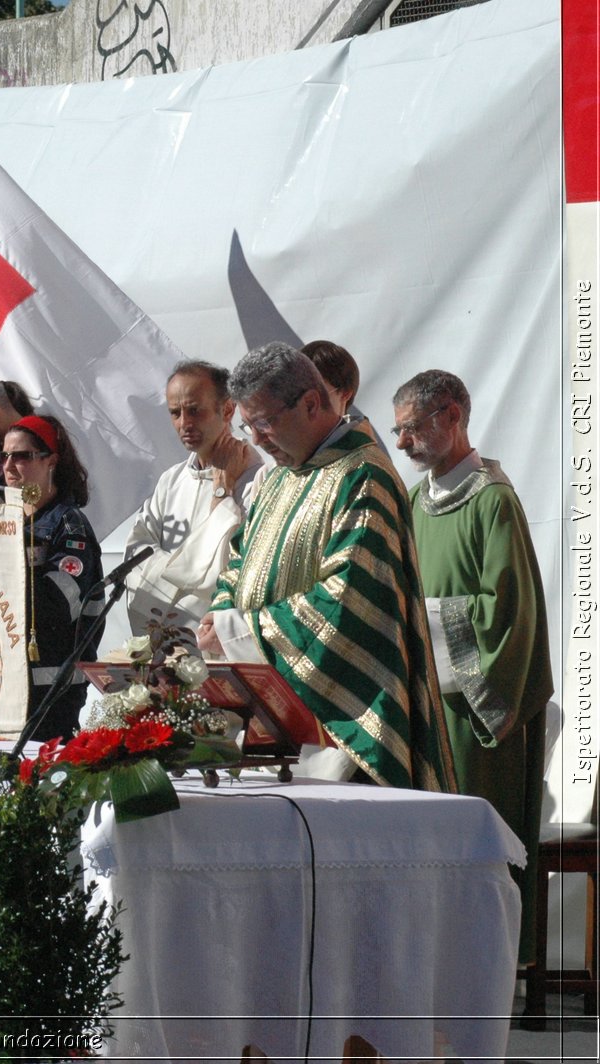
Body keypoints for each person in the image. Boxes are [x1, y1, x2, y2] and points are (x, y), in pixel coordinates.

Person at [196, 341, 452, 790]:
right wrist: (219, 612)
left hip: (342, 724)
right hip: (274, 713)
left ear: (312, 403)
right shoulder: (278, 476)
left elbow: (350, 602)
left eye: (264, 422)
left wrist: (240, 629)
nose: (255, 438)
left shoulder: (363, 474)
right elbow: (241, 558)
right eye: (247, 424)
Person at [393, 369, 551, 963]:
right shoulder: (414, 499)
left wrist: (425, 619)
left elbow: (508, 610)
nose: (403, 443)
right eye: (398, 430)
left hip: (476, 712)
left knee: (471, 843)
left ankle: (479, 970)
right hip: (425, 703)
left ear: (452, 416)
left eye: (412, 429)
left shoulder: (493, 500)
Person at [123, 361, 264, 631]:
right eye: (175, 413)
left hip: (211, 636)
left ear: (227, 409)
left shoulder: (256, 480)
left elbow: (230, 568)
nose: (184, 423)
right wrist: (186, 572)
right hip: (160, 633)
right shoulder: (171, 481)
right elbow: (134, 555)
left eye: (194, 411)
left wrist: (223, 494)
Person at [1, 415, 105, 741]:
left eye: (22, 456)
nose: (9, 465)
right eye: (4, 456)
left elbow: (58, 605)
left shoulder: (70, 527)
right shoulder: (0, 519)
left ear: (51, 461)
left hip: (52, 693)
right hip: (3, 686)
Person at [303, 338, 388, 456]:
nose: (303, 405)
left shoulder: (366, 465)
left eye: (316, 394)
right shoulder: (282, 466)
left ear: (344, 394)